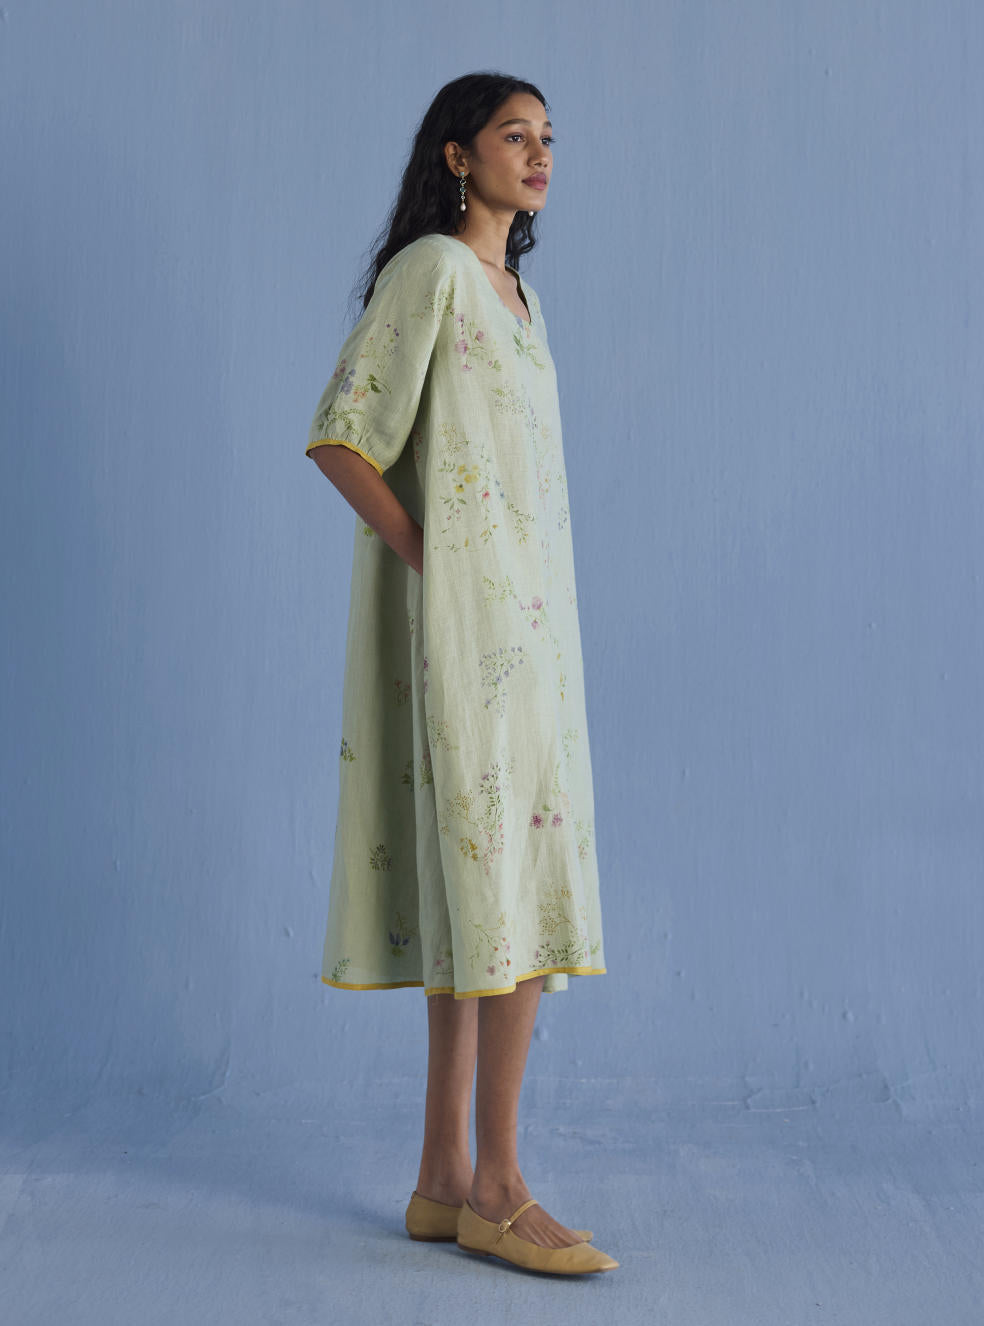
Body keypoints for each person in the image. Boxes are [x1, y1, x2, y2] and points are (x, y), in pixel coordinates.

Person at [305, 72, 618, 1275]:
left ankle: (443, 1178)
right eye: (513, 135)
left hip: (536, 643)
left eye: (548, 139)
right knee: (503, 893)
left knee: (491, 892)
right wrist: (436, 559)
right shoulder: (433, 272)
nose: (539, 156)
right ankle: (499, 1186)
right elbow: (343, 432)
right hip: (471, 637)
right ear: (456, 155)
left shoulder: (520, 298)